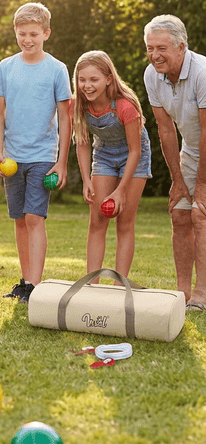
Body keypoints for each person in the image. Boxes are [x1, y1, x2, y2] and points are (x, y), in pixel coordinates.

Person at [0, 2, 71, 303]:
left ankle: (35, 287)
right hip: (12, 156)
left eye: (34, 34)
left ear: (46, 33)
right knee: (20, 220)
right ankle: (25, 282)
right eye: (22, 34)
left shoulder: (56, 69)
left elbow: (66, 117)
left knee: (34, 217)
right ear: (16, 32)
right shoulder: (6, 68)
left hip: (42, 155)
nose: (27, 40)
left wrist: (62, 162)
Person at [144, 14, 206, 310]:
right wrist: (178, 181)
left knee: (201, 214)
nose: (155, 55)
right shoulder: (151, 75)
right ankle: (181, 294)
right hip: (192, 151)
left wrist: (202, 186)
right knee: (180, 213)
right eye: (150, 48)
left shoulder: (202, 73)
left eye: (162, 48)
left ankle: (202, 294)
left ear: (181, 47)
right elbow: (166, 129)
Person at [72, 50, 152, 279]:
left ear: (108, 79)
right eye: (82, 79)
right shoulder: (79, 105)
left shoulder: (125, 106)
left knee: (124, 223)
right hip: (105, 155)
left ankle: (120, 286)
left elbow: (135, 150)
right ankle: (91, 283)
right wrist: (87, 179)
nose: (87, 85)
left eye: (93, 79)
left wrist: (121, 190)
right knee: (97, 219)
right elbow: (83, 143)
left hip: (134, 157)